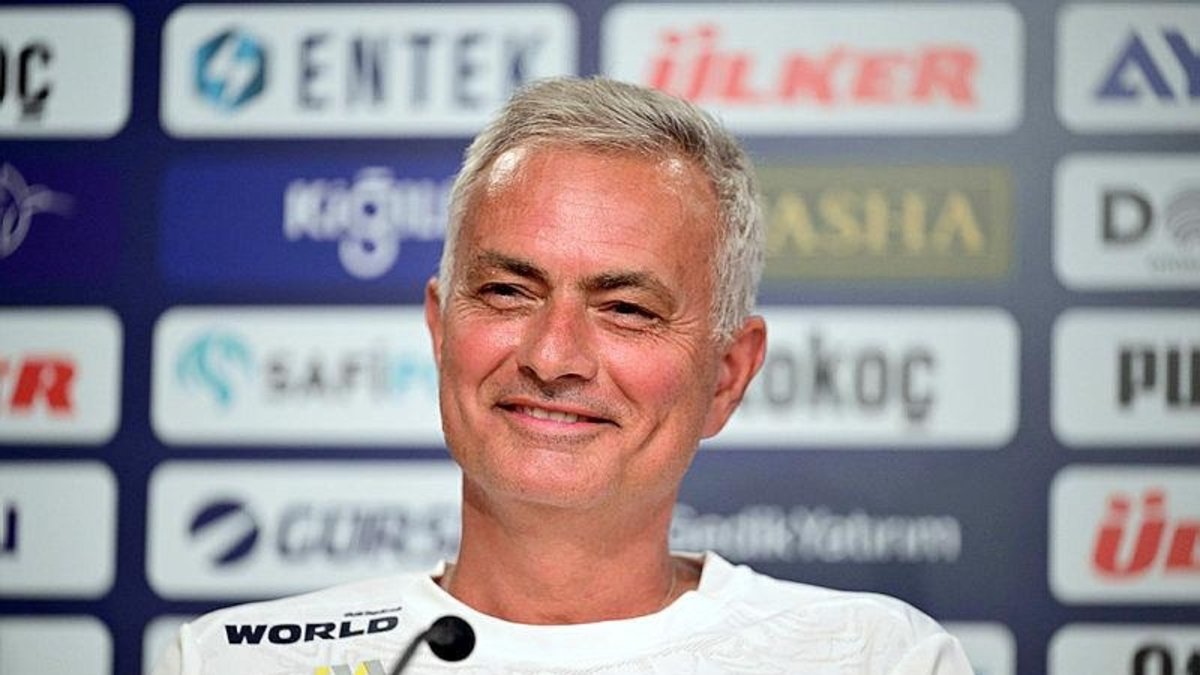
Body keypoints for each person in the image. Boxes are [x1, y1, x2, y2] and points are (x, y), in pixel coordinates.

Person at [151, 77, 973, 674]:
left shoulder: (875, 657)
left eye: (627, 308)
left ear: (727, 375)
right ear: (441, 328)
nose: (551, 356)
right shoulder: (232, 660)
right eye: (508, 291)